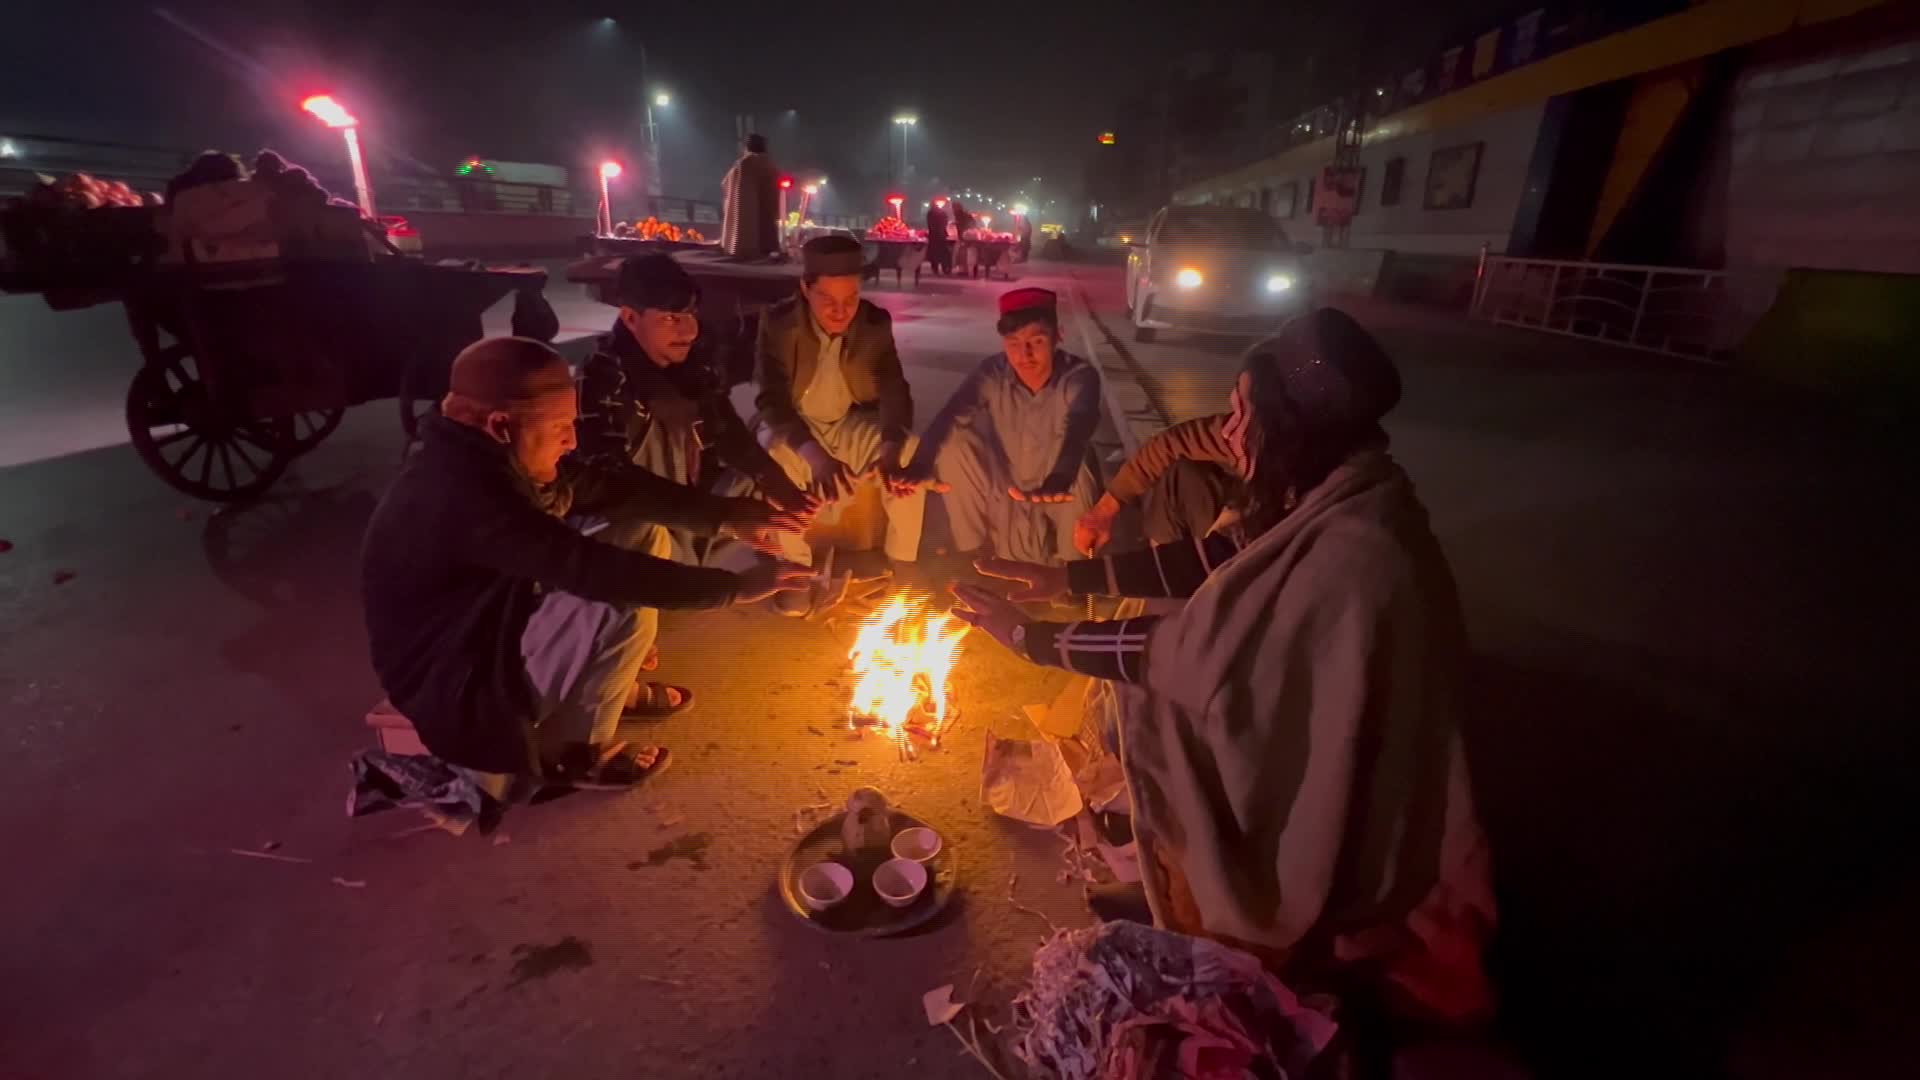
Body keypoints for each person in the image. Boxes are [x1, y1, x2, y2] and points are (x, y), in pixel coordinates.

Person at [951, 309, 1496, 1031]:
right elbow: (1225, 555)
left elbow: (1192, 656)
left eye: (1243, 414)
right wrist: (1066, 580)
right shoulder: (1339, 483)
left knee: (1158, 710)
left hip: (1365, 815)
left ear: (1292, 428)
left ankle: (1210, 895)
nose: (1228, 431)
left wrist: (1028, 636)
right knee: (1150, 654)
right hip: (1325, 723)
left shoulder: (1355, 550)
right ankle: (1173, 859)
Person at [361, 337, 811, 794]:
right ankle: (575, 751)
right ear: (500, 425)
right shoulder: (467, 495)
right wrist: (733, 587)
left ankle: (605, 687)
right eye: (559, 427)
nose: (572, 440)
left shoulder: (481, 454)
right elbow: (594, 569)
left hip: (490, 620)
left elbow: (606, 486)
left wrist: (728, 518)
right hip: (456, 682)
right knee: (622, 602)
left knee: (642, 535)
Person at [752, 235, 926, 568]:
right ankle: (796, 568)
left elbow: (893, 389)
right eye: (828, 299)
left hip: (847, 421)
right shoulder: (779, 324)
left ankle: (902, 563)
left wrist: (890, 449)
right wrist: (815, 457)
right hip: (795, 424)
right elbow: (771, 399)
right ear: (805, 288)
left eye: (852, 298)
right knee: (777, 455)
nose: (841, 311)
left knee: (907, 448)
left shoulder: (873, 324)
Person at [902, 287, 1101, 564]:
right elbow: (951, 415)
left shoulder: (1079, 376)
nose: (1025, 354)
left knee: (1083, 465)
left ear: (1058, 336)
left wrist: (1061, 476)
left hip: (1060, 492)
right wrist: (921, 462)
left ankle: (1073, 577)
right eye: (1014, 343)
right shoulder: (993, 373)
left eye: (1037, 341)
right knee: (955, 444)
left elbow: (1079, 424)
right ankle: (973, 560)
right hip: (1006, 491)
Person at [1071, 413, 1243, 555]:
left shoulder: (1260, 437)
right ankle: (1161, 568)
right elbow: (1171, 445)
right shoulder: (1240, 432)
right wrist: (1103, 511)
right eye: (1237, 405)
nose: (1235, 420)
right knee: (1180, 476)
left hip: (1248, 556)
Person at [720, 133, 780, 260]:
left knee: (746, 230)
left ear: (747, 146)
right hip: (766, 208)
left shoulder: (745, 162)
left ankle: (742, 248)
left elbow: (727, 183)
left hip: (745, 211)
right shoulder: (769, 164)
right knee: (765, 225)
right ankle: (765, 248)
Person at [925, 197, 953, 277]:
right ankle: (945, 268)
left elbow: (930, 224)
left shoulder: (930, 213)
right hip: (941, 236)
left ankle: (936, 269)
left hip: (933, 236)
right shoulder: (942, 213)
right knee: (944, 253)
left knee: (934, 253)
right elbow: (945, 223)